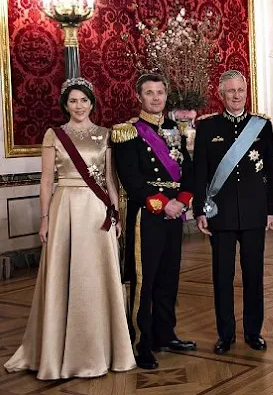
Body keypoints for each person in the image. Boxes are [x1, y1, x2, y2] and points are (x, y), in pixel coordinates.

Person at [4, 78, 136, 379]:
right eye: (73, 101)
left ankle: (101, 350)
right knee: (63, 275)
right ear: (65, 104)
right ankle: (58, 352)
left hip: (95, 211)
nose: (79, 106)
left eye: (84, 100)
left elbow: (110, 182)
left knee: (96, 276)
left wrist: (115, 216)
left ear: (92, 103)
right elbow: (47, 181)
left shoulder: (105, 135)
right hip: (64, 209)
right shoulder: (55, 135)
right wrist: (45, 218)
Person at [112, 73, 196, 370]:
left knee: (168, 278)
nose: (156, 98)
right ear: (140, 97)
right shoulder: (128, 132)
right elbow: (131, 180)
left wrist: (183, 202)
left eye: (160, 92)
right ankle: (140, 342)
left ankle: (164, 334)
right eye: (150, 93)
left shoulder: (176, 129)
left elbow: (189, 171)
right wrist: (165, 205)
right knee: (144, 280)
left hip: (174, 214)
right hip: (147, 216)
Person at [193, 70, 273, 355]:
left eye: (240, 90)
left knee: (254, 275)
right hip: (221, 214)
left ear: (246, 91)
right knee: (222, 276)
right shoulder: (207, 127)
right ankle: (225, 334)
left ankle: (253, 332)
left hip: (254, 213)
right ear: (221, 94)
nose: (237, 95)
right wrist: (200, 210)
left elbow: (271, 172)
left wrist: (270, 210)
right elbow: (200, 173)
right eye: (231, 91)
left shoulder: (262, 126)